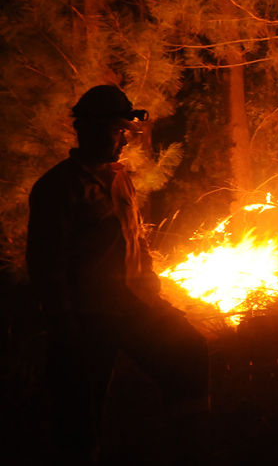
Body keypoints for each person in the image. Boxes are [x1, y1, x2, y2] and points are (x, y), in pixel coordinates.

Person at [26, 85, 209, 464]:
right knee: (79, 416)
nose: (124, 139)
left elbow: (134, 237)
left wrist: (151, 283)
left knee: (189, 351)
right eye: (116, 130)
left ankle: (187, 446)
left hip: (134, 305)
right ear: (87, 129)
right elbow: (47, 263)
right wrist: (63, 323)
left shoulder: (119, 178)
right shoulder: (59, 187)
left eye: (125, 130)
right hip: (89, 317)